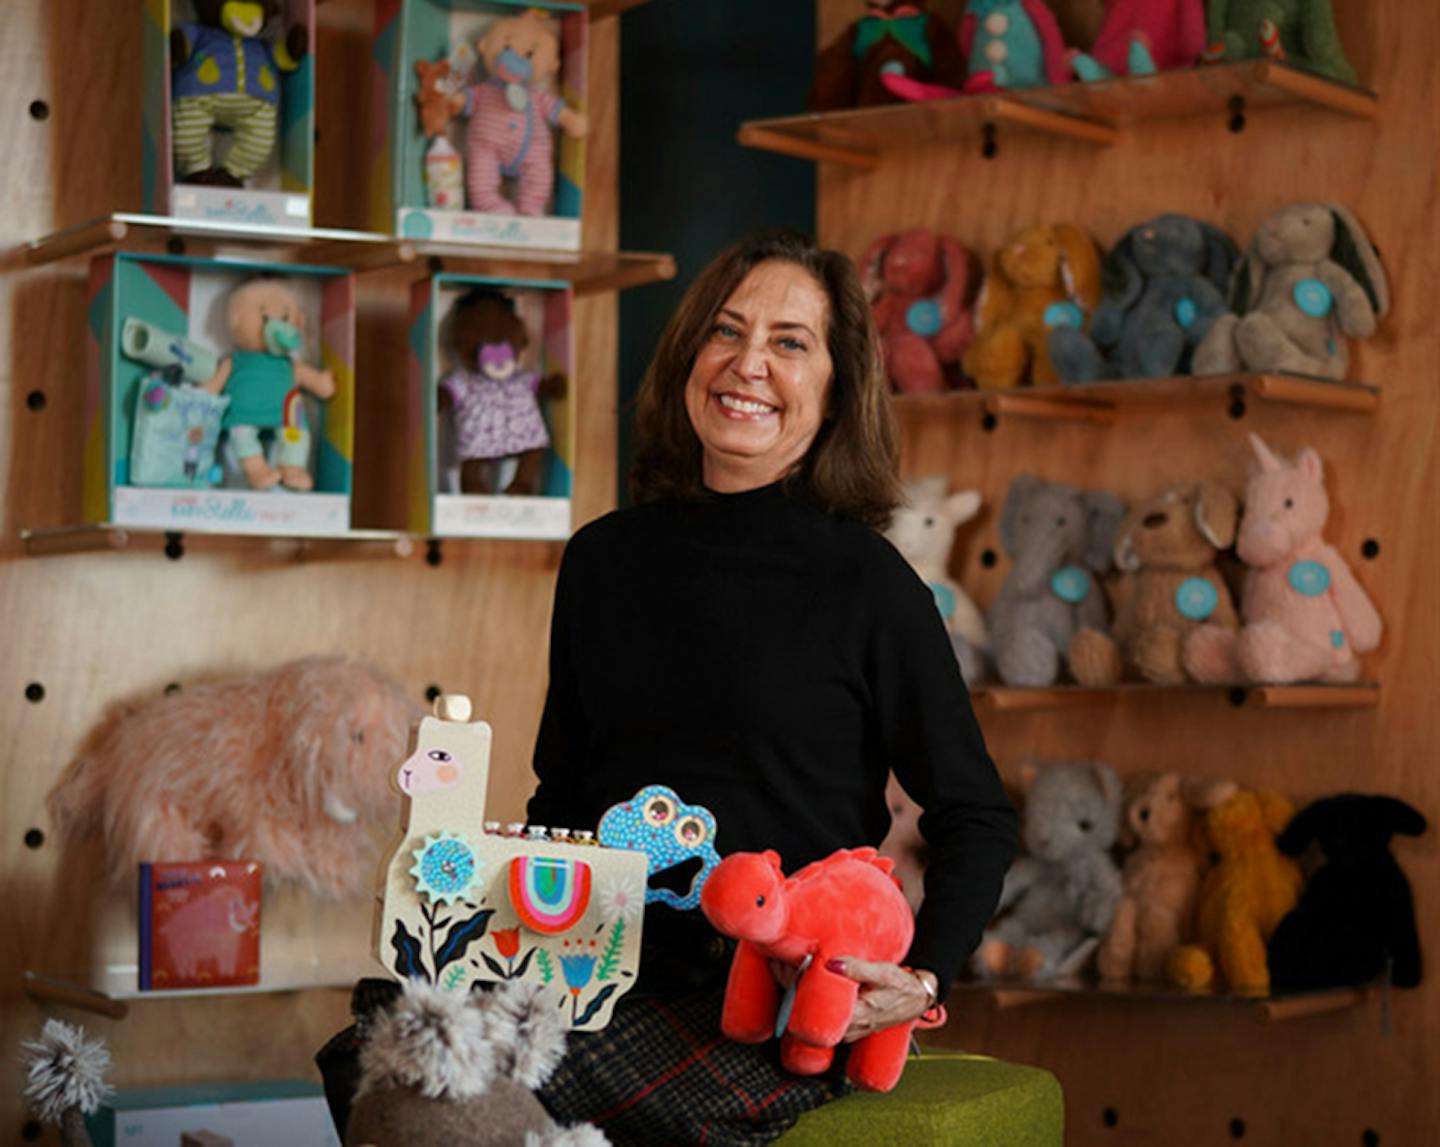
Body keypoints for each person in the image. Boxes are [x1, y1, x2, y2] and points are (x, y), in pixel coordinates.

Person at [524, 231, 1018, 1144]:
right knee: (381, 1046)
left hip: (772, 1008)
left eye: (791, 342)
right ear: (688, 358)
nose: (748, 363)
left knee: (502, 1087)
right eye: (726, 331)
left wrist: (924, 980)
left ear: (834, 393)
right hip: (594, 977)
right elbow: (561, 794)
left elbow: (974, 812)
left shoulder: (870, 584)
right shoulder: (602, 559)